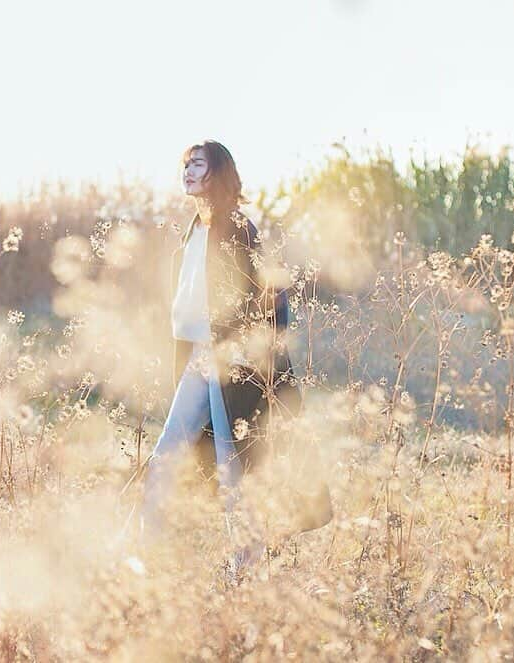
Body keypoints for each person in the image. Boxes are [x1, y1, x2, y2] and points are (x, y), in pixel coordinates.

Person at [139, 139, 303, 571]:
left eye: (198, 165)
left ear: (219, 173)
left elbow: (268, 293)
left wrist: (254, 354)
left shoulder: (238, 228)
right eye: (185, 165)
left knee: (232, 464)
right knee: (168, 452)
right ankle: (142, 556)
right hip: (198, 355)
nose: (188, 172)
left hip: (229, 359)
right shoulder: (195, 227)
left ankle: (246, 562)